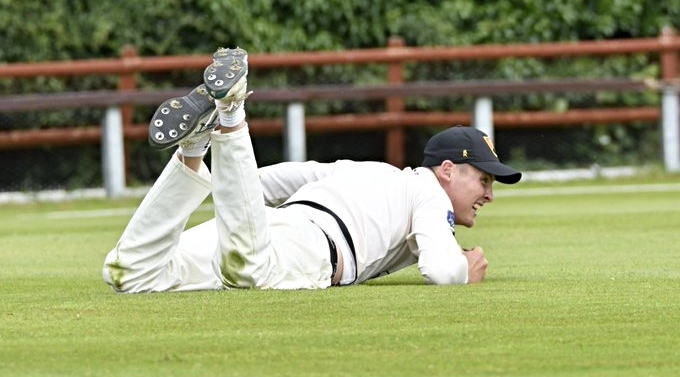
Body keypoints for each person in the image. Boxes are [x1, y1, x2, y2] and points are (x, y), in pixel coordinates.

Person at [102, 47, 522, 293]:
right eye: (483, 180)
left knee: (131, 274)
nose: (489, 194)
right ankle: (231, 111)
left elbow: (263, 182)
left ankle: (194, 147)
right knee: (246, 271)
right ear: (447, 170)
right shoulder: (430, 193)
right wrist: (466, 268)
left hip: (270, 223)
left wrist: (232, 205)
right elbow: (440, 270)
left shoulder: (367, 170)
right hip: (307, 249)